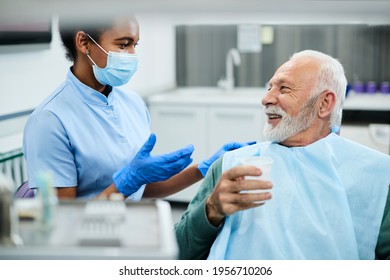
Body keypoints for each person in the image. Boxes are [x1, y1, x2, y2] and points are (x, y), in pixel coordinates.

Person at [175, 50, 390, 260]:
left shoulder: (377, 178)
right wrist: (211, 209)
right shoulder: (231, 168)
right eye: (269, 87)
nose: (266, 98)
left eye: (284, 89)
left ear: (324, 103)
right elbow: (178, 253)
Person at [22, 15, 254, 200]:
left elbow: (144, 188)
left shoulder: (132, 104)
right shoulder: (50, 120)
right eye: (124, 44)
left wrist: (206, 168)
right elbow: (62, 225)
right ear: (84, 43)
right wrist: (126, 182)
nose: (132, 55)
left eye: (135, 45)